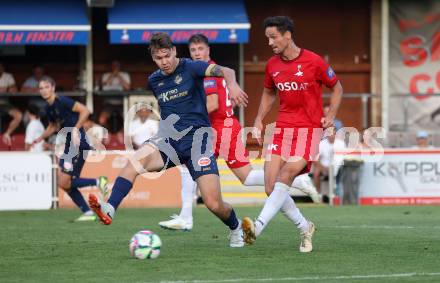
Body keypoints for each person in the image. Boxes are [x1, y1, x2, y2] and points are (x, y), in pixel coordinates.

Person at [87, 32, 248, 248]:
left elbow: (227, 71)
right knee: (135, 162)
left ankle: (236, 227)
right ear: (153, 59)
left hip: (197, 141)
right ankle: (110, 208)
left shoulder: (191, 67)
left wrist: (233, 85)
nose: (164, 62)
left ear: (173, 51)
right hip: (169, 140)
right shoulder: (154, 80)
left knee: (213, 203)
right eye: (158, 58)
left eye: (166, 56)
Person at [159, 34, 320, 231]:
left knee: (187, 166)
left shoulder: (207, 73)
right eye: (193, 50)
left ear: (208, 50)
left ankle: (186, 217)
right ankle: (297, 180)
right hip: (226, 126)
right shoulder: (208, 70)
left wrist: (182, 117)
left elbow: (212, 103)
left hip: (217, 128)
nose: (197, 53)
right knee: (247, 177)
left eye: (201, 49)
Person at [241, 16, 343, 253]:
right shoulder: (272, 65)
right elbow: (268, 92)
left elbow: (337, 86)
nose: (270, 43)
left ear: (287, 35)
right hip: (282, 129)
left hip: (309, 131)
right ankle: (305, 226)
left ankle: (257, 227)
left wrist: (332, 114)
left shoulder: (314, 61)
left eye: (273, 37)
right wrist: (258, 118)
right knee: (270, 186)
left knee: (286, 174)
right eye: (267, 38)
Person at [34, 78, 109, 221]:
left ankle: (98, 182)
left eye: (46, 86)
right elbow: (52, 127)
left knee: (63, 182)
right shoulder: (49, 108)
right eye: (41, 87)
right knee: (64, 183)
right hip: (71, 145)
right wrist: (39, 138)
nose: (44, 90)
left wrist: (75, 129)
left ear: (53, 87)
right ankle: (87, 211)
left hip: (78, 143)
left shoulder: (62, 101)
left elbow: (85, 111)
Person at [312, 128, 346, 193]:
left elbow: (344, 158)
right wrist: (323, 167)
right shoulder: (322, 143)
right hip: (324, 166)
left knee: (343, 169)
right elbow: (315, 158)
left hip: (338, 166)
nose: (332, 135)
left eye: (334, 134)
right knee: (316, 172)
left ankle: (339, 193)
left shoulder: (341, 143)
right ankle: (318, 195)